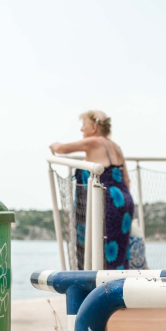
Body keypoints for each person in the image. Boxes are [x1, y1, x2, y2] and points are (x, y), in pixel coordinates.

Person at [50, 110, 136, 270]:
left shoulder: (94, 141)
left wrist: (53, 145)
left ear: (94, 128)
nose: (81, 130)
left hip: (106, 200)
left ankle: (98, 289)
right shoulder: (116, 147)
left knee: (98, 248)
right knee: (118, 251)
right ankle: (118, 287)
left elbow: (61, 149)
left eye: (83, 126)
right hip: (124, 200)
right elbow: (126, 179)